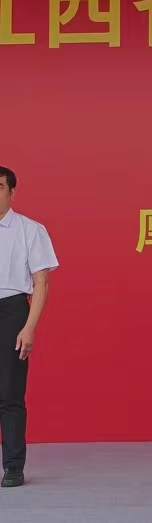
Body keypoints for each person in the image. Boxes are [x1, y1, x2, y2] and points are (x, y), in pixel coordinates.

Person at [0, 167, 58, 489]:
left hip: (11, 311)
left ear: (12, 192)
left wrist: (29, 327)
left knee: (9, 394)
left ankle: (12, 466)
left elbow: (41, 282)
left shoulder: (30, 230)